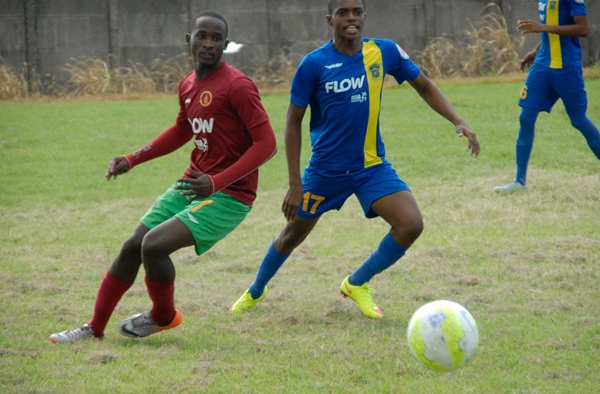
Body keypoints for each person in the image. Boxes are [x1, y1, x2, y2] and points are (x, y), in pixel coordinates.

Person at [230, 0, 480, 319]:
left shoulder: (384, 51)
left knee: (411, 224)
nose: (351, 18)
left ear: (364, 17)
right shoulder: (313, 64)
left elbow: (424, 86)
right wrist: (295, 184)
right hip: (325, 172)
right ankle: (255, 291)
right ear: (329, 20)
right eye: (343, 13)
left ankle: (357, 283)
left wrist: (458, 120)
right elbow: (293, 122)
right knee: (292, 233)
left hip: (370, 167)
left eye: (357, 12)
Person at [50, 11, 277, 343]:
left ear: (226, 45)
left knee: (152, 246)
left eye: (217, 39)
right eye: (203, 36)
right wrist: (133, 158)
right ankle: (93, 329)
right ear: (189, 39)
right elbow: (181, 131)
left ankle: (163, 316)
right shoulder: (187, 84)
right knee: (132, 247)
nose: (209, 43)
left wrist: (215, 183)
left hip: (229, 197)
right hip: (192, 184)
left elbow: (267, 145)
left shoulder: (238, 86)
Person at [495, 0, 600, 193]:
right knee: (526, 118)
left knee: (578, 120)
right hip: (542, 66)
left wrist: (542, 27)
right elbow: (551, 31)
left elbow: (583, 29)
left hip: (566, 67)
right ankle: (519, 182)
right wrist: (535, 51)